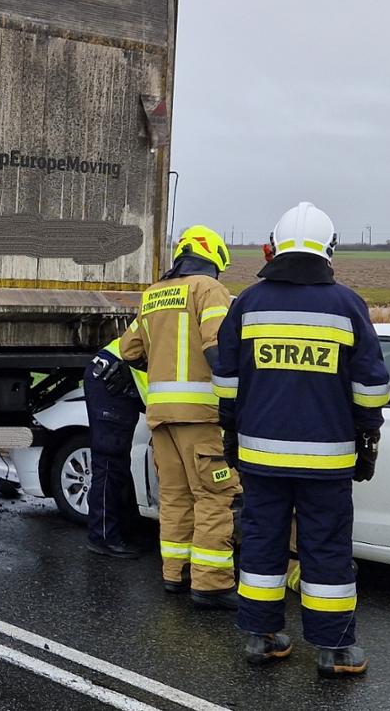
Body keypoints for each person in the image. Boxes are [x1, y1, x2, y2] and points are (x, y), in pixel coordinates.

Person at [213, 202, 389, 677]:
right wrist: (366, 433)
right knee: (326, 548)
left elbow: (226, 378)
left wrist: (231, 428)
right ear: (329, 249)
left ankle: (262, 638)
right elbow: (371, 386)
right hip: (328, 460)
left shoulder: (247, 302)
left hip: (259, 454)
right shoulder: (348, 305)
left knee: (262, 542)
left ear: (276, 246)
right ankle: (333, 650)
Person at [103, 225, 239, 608]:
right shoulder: (209, 290)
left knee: (175, 498)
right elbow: (220, 350)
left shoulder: (153, 295)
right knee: (214, 497)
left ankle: (174, 575)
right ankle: (211, 585)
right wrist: (236, 399)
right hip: (203, 416)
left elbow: (129, 350)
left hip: (161, 418)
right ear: (213, 256)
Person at [82, 326, 145, 560]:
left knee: (118, 464)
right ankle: (103, 537)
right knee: (109, 461)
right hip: (112, 379)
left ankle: (124, 531)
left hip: (118, 377)